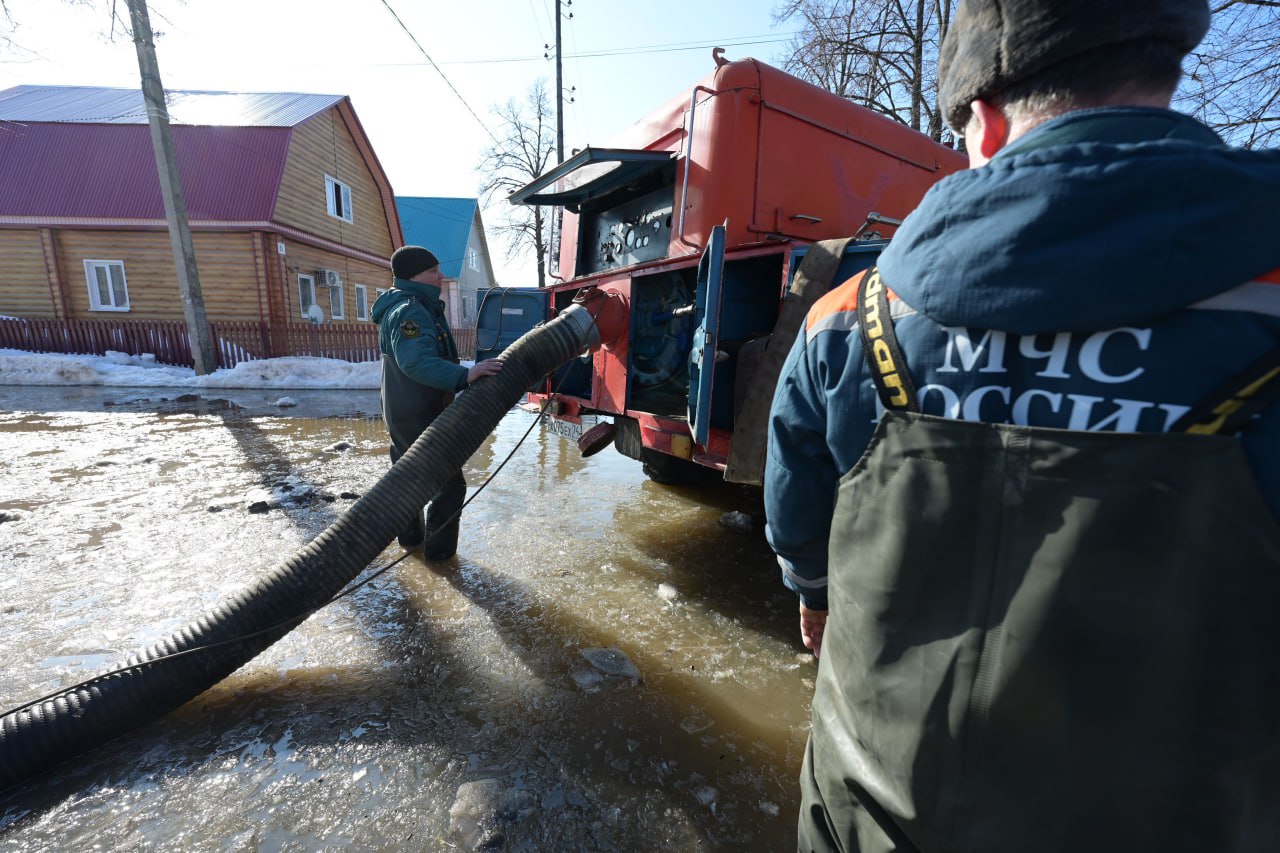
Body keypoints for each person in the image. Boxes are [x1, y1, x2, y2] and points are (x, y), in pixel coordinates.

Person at [764, 0, 1280, 849]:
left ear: (988, 121)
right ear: (1165, 72)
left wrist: (814, 598)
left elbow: (798, 516)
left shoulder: (847, 320)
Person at [370, 245, 502, 558]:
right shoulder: (411, 310)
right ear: (414, 275)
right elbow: (415, 362)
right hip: (417, 411)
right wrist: (465, 376)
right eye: (433, 271)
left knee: (407, 482)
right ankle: (440, 559)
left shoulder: (414, 305)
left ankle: (411, 545)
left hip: (403, 408)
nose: (440, 276)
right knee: (450, 487)